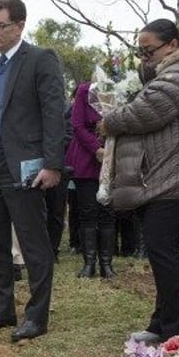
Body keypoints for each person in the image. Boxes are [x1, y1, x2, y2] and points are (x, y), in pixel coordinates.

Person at [102, 23, 179, 342]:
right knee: (161, 251)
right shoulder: (172, 71)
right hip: (163, 174)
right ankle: (162, 322)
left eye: (148, 50)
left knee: (163, 250)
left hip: (175, 176)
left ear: (172, 45)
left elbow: (147, 112)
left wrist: (109, 120)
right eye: (139, 51)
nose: (143, 57)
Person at [0, 0, 66, 342]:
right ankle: (1, 310)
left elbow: (54, 114)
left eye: (0, 25)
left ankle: (36, 317)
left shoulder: (40, 59)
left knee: (32, 242)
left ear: (20, 25)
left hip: (23, 165)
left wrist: (53, 164)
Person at [66, 80, 115, 278]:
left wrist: (110, 148)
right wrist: (97, 148)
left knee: (107, 212)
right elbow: (77, 125)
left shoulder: (120, 90)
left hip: (112, 158)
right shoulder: (85, 90)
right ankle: (89, 263)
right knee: (87, 212)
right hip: (87, 159)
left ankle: (107, 264)